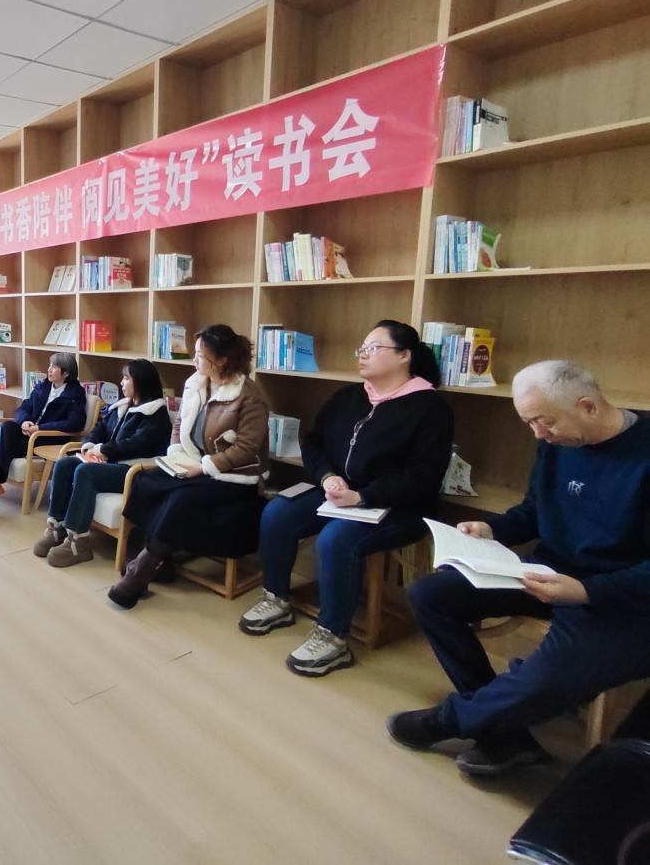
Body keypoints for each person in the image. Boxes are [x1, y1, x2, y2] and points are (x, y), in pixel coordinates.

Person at [388, 360, 650, 778]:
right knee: (430, 595)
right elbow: (535, 511)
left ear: (588, 406)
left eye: (544, 422)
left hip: (621, 600)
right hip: (548, 573)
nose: (538, 434)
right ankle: (504, 733)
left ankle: (452, 720)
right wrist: (494, 529)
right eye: (529, 423)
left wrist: (585, 591)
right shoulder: (558, 441)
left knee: (545, 678)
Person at [239, 320, 453, 677]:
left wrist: (363, 495)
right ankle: (276, 598)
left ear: (404, 356)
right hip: (338, 492)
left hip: (399, 505)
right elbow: (313, 442)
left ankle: (333, 637)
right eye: (361, 349)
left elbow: (422, 479)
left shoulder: (430, 408)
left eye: (373, 348)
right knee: (278, 513)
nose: (362, 355)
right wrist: (327, 476)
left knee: (336, 539)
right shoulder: (349, 397)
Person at [107, 325, 269, 609]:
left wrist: (205, 467)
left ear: (222, 360)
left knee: (181, 498)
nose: (194, 360)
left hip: (234, 477)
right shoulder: (196, 383)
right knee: (144, 482)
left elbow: (246, 448)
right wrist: (176, 455)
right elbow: (180, 424)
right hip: (194, 465)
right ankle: (162, 563)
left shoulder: (249, 396)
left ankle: (140, 571)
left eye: (200, 356)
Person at [33, 358, 171, 568]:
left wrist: (103, 450)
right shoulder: (122, 406)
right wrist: (89, 445)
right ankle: (56, 526)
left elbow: (137, 444)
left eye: (126, 378)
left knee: (85, 472)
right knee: (64, 465)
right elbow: (100, 429)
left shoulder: (155, 415)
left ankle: (79, 541)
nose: (122, 382)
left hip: (135, 472)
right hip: (112, 463)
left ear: (141, 382)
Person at [0, 352, 87, 521]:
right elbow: (23, 408)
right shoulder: (43, 387)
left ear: (66, 373)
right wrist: (24, 422)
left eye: (54, 367)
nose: (49, 369)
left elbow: (75, 423)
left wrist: (40, 428)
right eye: (49, 365)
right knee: (5, 428)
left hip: (46, 440)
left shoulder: (75, 394)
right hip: (28, 434)